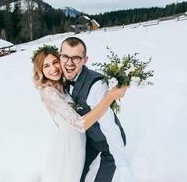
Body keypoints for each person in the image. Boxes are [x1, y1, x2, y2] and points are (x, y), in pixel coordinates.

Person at [32, 45, 128, 182]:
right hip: (72, 143)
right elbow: (81, 124)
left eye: (54, 62)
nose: (53, 69)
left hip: (82, 138)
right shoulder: (49, 92)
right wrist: (110, 97)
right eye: (46, 66)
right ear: (40, 70)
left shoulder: (61, 83)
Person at [60, 37, 134, 182]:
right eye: (65, 56)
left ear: (85, 60)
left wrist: (124, 166)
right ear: (60, 56)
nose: (69, 63)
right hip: (87, 138)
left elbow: (109, 126)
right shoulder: (59, 76)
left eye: (76, 58)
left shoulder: (96, 85)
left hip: (107, 140)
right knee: (75, 174)